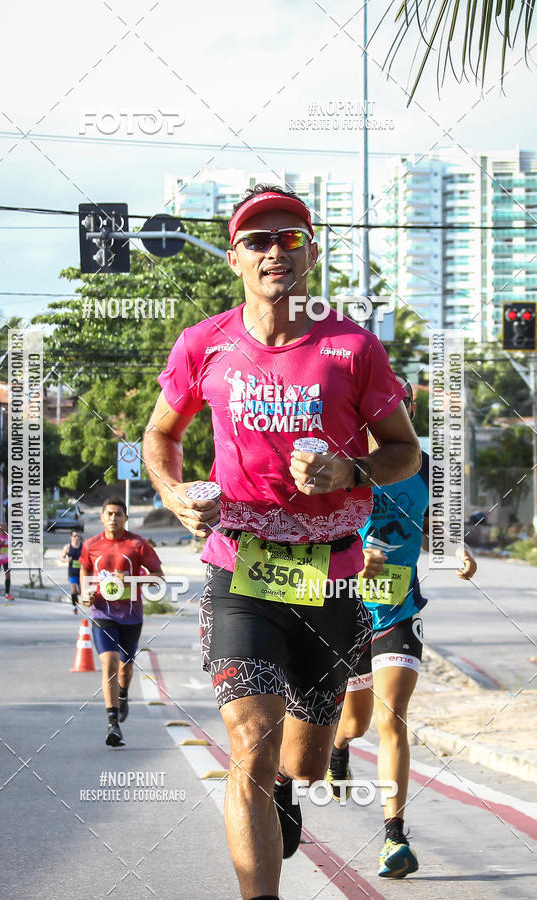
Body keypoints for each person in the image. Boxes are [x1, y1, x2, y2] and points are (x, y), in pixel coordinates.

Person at [143, 183, 421, 900]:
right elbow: (160, 436)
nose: (275, 251)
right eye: (259, 240)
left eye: (290, 238)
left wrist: (348, 466)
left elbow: (405, 452)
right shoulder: (205, 343)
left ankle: (290, 793)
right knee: (251, 744)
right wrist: (174, 495)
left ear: (311, 253)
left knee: (300, 758)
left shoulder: (351, 347)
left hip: (331, 574)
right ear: (233, 257)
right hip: (240, 568)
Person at [326, 377, 477, 879]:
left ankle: (394, 837)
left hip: (397, 609)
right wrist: (349, 560)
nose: (392, 413)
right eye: (381, 406)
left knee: (393, 719)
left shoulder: (424, 465)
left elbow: (436, 523)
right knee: (354, 724)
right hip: (347, 609)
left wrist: (457, 549)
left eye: (401, 406)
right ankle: (339, 749)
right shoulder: (341, 463)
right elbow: (313, 535)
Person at [79, 497, 164, 747]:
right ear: (102, 517)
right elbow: (84, 570)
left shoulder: (138, 544)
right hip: (102, 615)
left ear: (126, 517)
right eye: (109, 514)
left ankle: (123, 694)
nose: (113, 518)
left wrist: (130, 582)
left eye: (118, 514)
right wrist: (85, 592)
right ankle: (112, 723)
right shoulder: (90, 545)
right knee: (110, 663)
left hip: (131, 616)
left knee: (125, 667)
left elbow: (159, 578)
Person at [59, 530, 83, 614]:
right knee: (73, 589)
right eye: (74, 536)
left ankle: (76, 597)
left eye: (78, 536)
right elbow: (61, 558)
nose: (76, 538)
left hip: (81, 571)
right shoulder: (68, 547)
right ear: (71, 537)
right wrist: (66, 560)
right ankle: (74, 607)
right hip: (72, 571)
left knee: (80, 591)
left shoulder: (83, 547)